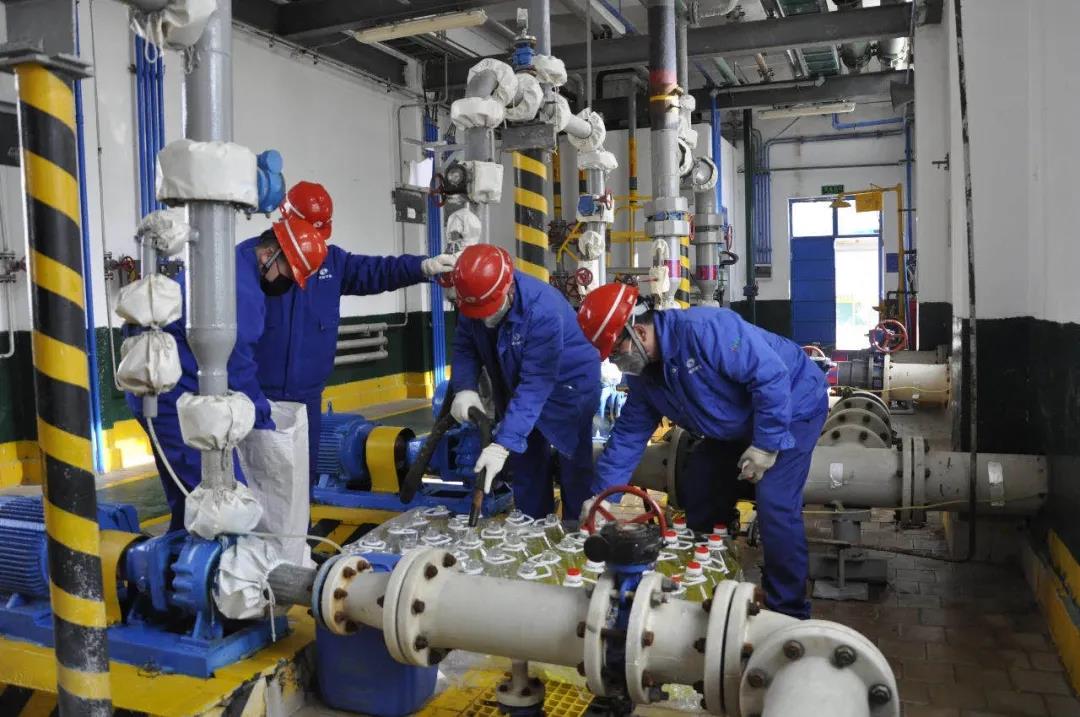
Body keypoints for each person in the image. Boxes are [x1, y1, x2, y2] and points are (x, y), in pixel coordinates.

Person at [578, 282, 829, 619]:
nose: (617, 361)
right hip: (736, 421)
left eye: (615, 351)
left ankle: (788, 610)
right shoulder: (645, 376)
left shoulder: (706, 330)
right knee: (700, 479)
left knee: (775, 504)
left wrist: (766, 444)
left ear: (639, 332)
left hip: (793, 405)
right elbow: (628, 436)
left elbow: (771, 377)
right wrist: (602, 496)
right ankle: (712, 570)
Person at [253, 181, 456, 494]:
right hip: (260, 398)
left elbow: (378, 271)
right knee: (260, 480)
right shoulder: (258, 264)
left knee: (301, 483)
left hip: (308, 399)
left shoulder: (331, 263)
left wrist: (422, 267)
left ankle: (300, 527)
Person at [127, 217, 329, 530]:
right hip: (173, 400)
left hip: (164, 389)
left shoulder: (238, 259)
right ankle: (220, 559)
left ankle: (180, 550)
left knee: (189, 499)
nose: (287, 284)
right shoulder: (240, 288)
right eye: (289, 274)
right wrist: (265, 422)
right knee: (224, 503)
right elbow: (238, 367)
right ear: (269, 255)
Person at [448, 244, 601, 518]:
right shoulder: (473, 299)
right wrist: (465, 388)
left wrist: (502, 445)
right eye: (477, 311)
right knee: (526, 461)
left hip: (569, 385)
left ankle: (578, 532)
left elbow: (535, 384)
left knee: (574, 464)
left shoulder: (542, 310)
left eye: (488, 309)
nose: (483, 317)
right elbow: (465, 347)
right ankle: (531, 527)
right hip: (518, 380)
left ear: (508, 288)